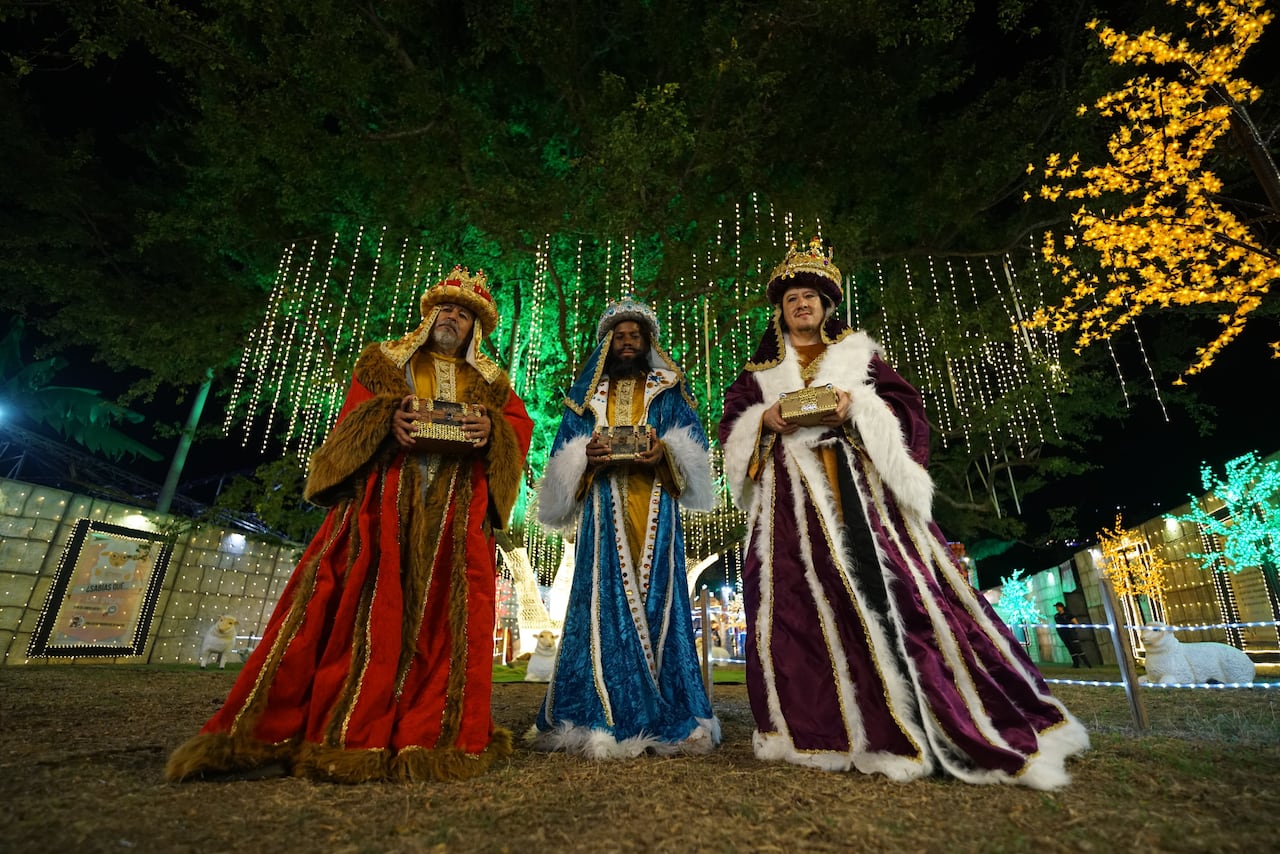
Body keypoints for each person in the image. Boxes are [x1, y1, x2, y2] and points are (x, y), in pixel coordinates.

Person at [718, 237, 1090, 790]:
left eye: (812, 298)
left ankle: (918, 712)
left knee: (895, 596)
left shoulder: (860, 357)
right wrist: (765, 421)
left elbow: (906, 412)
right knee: (800, 611)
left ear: (826, 307)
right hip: (790, 509)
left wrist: (857, 407)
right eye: (793, 297)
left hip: (861, 499)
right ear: (780, 309)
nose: (802, 305)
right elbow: (732, 429)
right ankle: (823, 726)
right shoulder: (756, 375)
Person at [165, 266, 533, 783]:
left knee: (441, 624)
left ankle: (429, 738)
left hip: (453, 515)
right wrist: (388, 420)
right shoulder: (383, 361)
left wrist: (492, 428)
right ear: (429, 315)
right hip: (380, 507)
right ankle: (294, 735)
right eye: (446, 308)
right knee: (349, 612)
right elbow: (351, 423)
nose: (454, 316)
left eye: (466, 313)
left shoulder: (493, 383)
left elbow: (519, 430)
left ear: (477, 329)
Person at [528, 298, 720, 758]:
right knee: (600, 599)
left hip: (657, 510)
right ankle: (601, 707)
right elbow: (562, 454)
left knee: (662, 599)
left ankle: (667, 702)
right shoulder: (586, 396)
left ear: (647, 341)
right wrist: (584, 460)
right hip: (602, 509)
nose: (628, 341)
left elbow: (693, 441)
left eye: (635, 334)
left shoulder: (669, 389)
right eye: (620, 335)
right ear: (608, 344)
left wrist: (666, 455)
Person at [1054, 602, 1092, 668]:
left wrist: (1074, 630)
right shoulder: (1056, 616)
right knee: (1070, 649)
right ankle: (1076, 664)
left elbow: (1076, 623)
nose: (1057, 608)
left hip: (1071, 633)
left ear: (1062, 607)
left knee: (1077, 648)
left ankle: (1087, 663)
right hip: (1063, 634)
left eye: (1058, 607)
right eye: (1056, 607)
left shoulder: (1068, 614)